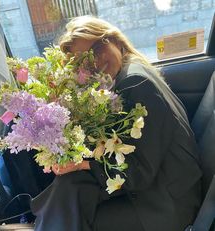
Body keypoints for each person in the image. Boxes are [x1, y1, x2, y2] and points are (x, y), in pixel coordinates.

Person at [30, 15, 202, 231]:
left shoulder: (135, 83)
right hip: (161, 186)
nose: (94, 64)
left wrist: (83, 163)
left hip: (166, 203)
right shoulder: (128, 72)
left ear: (114, 40)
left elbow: (139, 172)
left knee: (74, 207)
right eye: (83, 63)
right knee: (70, 188)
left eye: (96, 50)